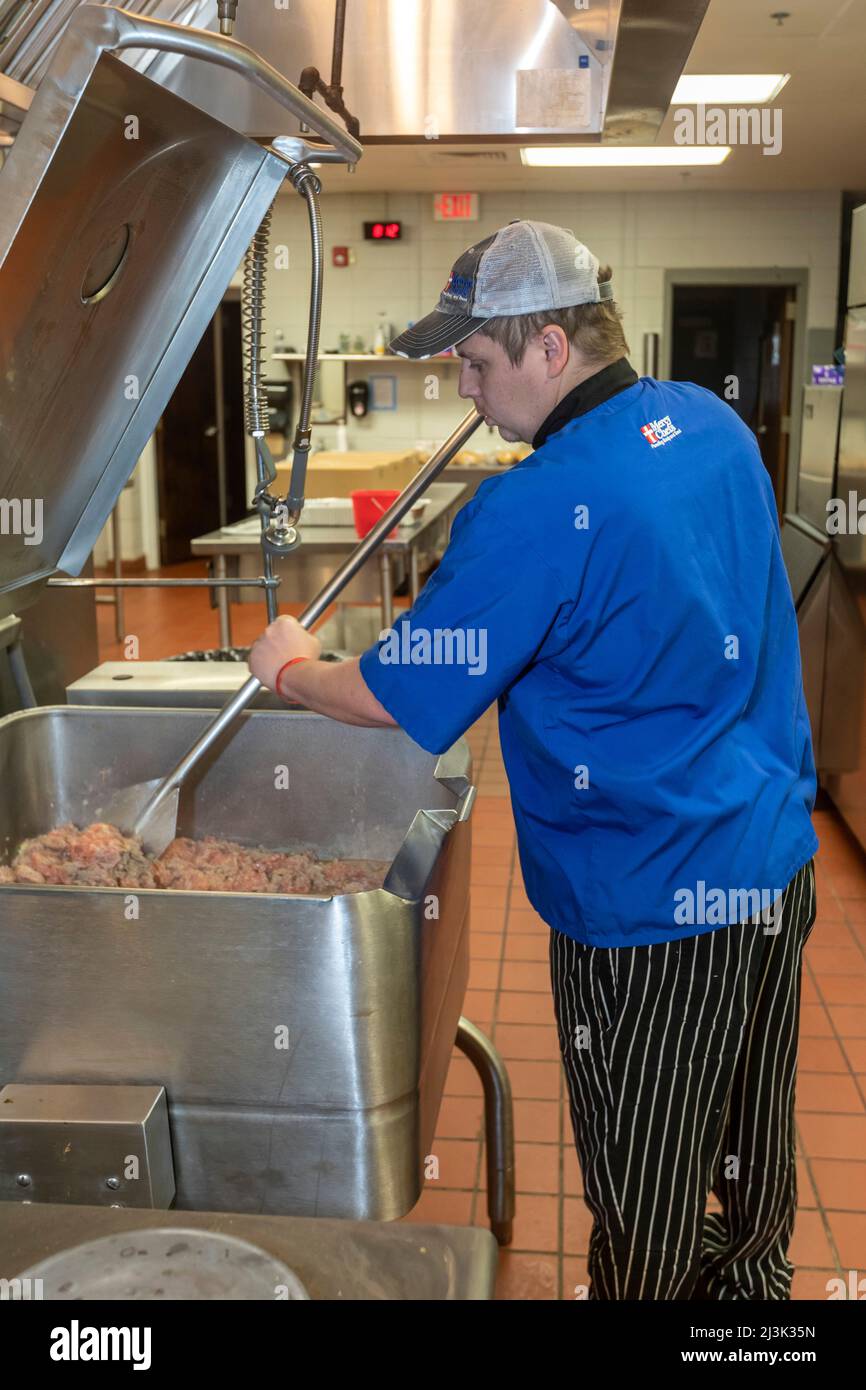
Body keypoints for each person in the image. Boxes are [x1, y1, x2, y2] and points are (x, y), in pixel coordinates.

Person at [248, 220, 818, 1300]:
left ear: (549, 347)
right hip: (768, 866)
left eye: (474, 361)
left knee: (643, 1189)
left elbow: (396, 689)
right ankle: (750, 1312)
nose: (466, 392)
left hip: (648, 907)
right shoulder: (708, 423)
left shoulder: (532, 506)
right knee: (748, 1158)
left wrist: (290, 668)